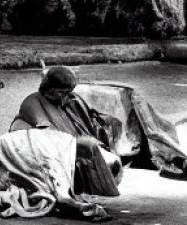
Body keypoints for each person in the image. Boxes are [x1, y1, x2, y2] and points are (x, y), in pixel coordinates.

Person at [11, 65, 187, 178]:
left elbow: (86, 119)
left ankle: (175, 158)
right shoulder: (33, 104)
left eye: (68, 93)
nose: (66, 97)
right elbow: (49, 136)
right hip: (66, 152)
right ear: (49, 89)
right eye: (62, 93)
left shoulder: (70, 101)